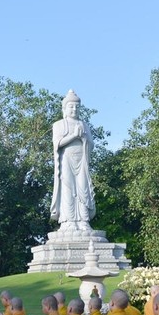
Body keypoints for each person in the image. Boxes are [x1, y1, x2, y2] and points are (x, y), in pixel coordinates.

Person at [49, 89, 95, 231]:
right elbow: (57, 143)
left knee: (83, 188)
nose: (74, 109)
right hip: (66, 160)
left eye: (77, 107)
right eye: (71, 106)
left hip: (81, 160)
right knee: (68, 189)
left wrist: (83, 138)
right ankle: (68, 221)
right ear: (65, 108)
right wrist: (73, 136)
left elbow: (91, 144)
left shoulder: (83, 125)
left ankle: (83, 220)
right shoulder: (59, 125)